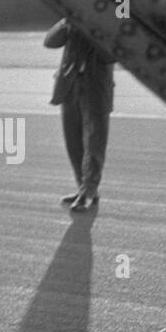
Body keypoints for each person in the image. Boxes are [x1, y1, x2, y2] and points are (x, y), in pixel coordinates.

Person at [45, 17, 114, 212]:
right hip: (69, 87)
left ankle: (88, 192)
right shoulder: (75, 14)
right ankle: (82, 188)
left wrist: (94, 29)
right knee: (73, 142)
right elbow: (50, 42)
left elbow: (113, 53)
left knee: (94, 143)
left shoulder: (121, 2)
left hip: (95, 88)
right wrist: (67, 22)